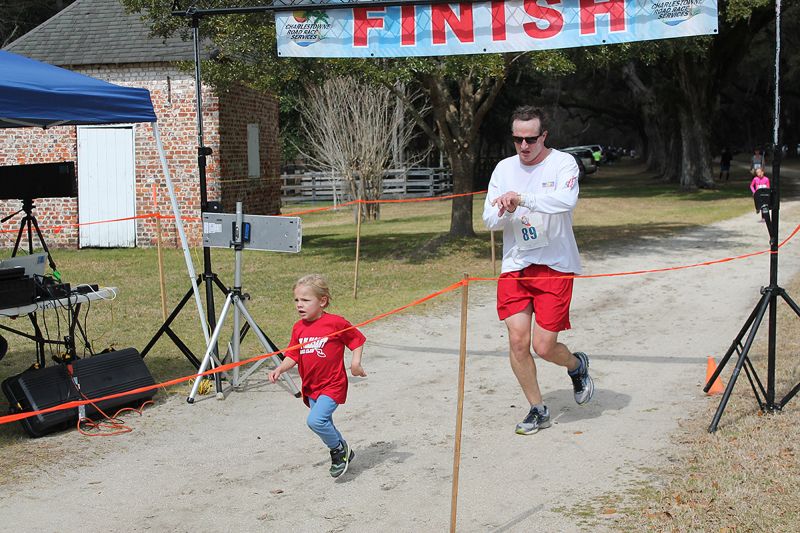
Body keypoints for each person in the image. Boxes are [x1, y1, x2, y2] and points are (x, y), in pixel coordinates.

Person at [482, 105, 594, 436]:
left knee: (543, 347)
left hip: (555, 266)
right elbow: (488, 219)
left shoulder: (563, 163)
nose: (524, 146)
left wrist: (524, 199)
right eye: (518, 139)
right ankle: (537, 408)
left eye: (531, 139)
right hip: (517, 266)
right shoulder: (503, 169)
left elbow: (565, 201)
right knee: (518, 341)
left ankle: (576, 366)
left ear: (543, 136)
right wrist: (504, 209)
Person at [268, 274, 367, 478]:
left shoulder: (335, 323)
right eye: (296, 300)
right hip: (311, 386)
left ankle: (338, 450)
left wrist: (355, 363)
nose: (299, 305)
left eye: (305, 300)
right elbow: (293, 354)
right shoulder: (298, 328)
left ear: (322, 301)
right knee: (325, 422)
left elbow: (356, 340)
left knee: (316, 421)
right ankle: (344, 450)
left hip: (333, 384)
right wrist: (281, 368)